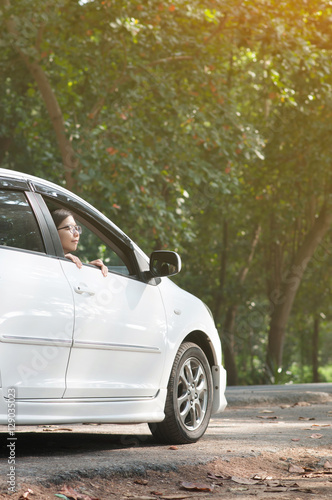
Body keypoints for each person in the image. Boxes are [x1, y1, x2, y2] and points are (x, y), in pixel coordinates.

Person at [51, 208, 108, 277]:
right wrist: (60, 258)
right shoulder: (43, 262)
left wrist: (87, 269)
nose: (77, 233)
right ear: (53, 231)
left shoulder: (70, 262)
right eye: (69, 228)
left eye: (76, 228)